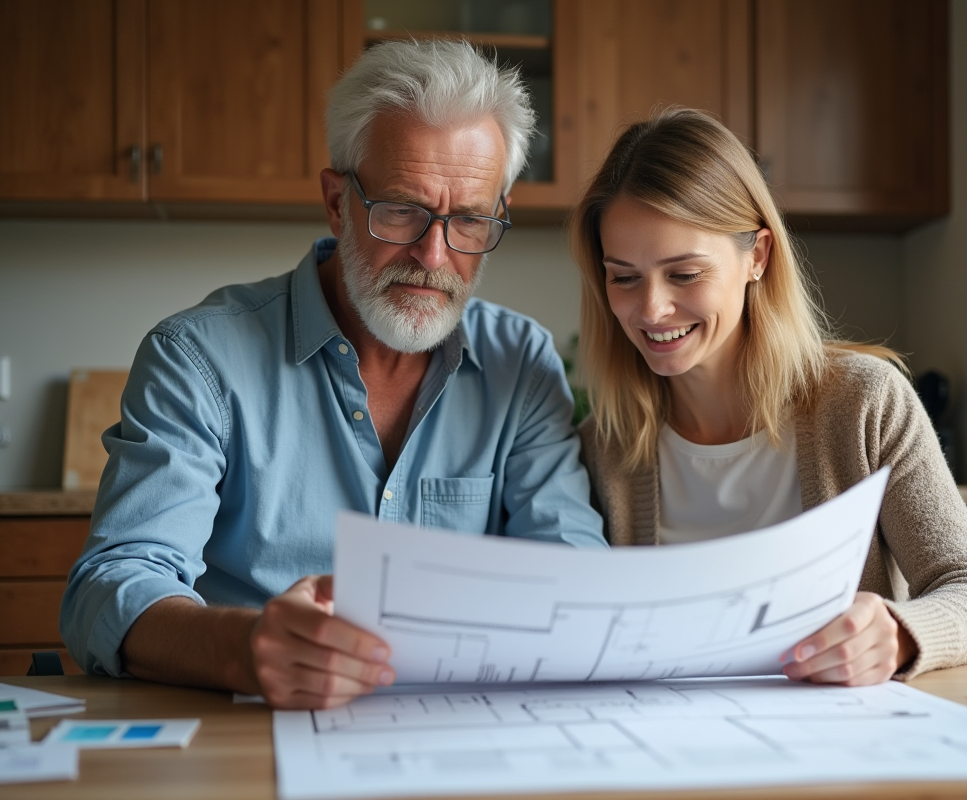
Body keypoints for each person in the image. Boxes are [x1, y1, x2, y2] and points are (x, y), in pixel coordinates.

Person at [61, 40, 606, 709]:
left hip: (462, 737)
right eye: (402, 208)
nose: (434, 256)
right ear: (336, 201)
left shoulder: (520, 364)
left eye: (468, 218)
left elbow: (576, 582)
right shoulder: (198, 357)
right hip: (251, 734)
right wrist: (245, 649)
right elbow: (112, 585)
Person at [570, 108, 967, 685]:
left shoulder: (864, 404)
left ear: (757, 256)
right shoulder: (601, 445)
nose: (651, 310)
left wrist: (900, 634)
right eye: (623, 277)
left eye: (684, 274)